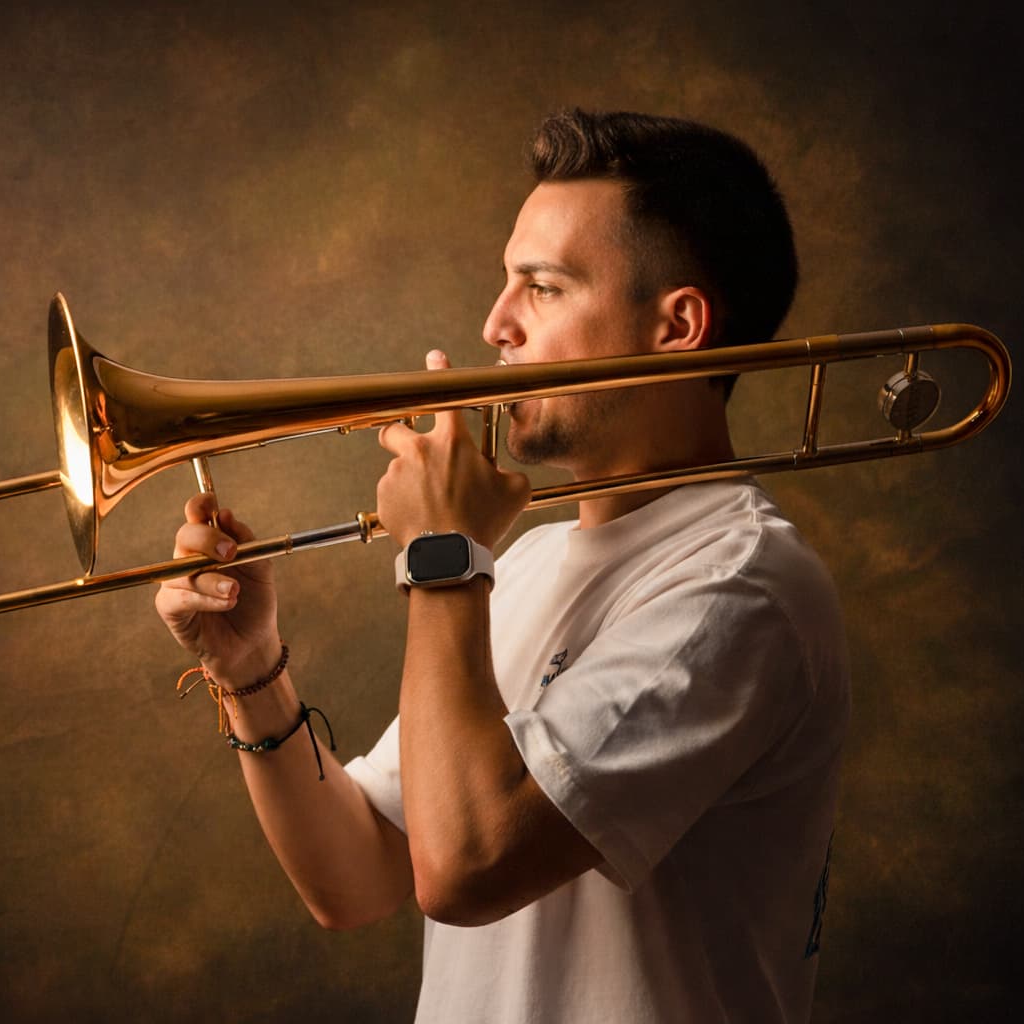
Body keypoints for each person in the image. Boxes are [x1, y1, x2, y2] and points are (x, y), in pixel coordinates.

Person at [155, 108, 849, 1023]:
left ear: (677, 326)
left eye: (545, 287)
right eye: (505, 284)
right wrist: (249, 672)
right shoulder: (524, 563)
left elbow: (465, 868)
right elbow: (358, 879)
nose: (496, 325)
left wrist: (441, 558)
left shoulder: (743, 588)